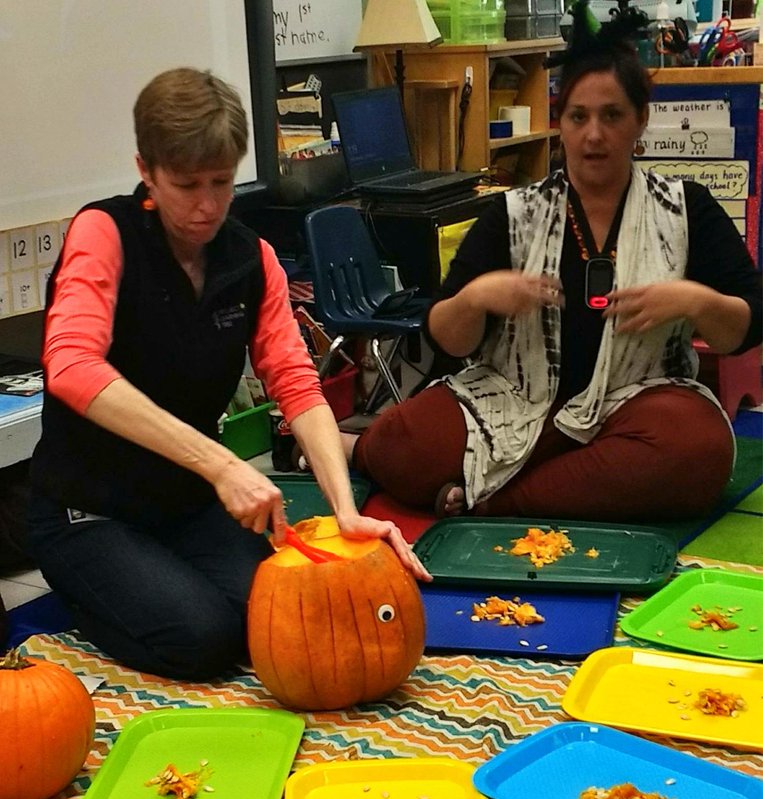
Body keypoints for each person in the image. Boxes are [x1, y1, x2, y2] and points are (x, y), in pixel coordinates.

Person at [27, 67, 427, 681]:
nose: (208, 205)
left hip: (184, 506)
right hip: (89, 510)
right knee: (205, 641)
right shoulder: (102, 232)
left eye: (221, 182)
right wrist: (220, 465)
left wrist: (344, 508)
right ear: (146, 171)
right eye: (186, 185)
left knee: (283, 617)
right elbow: (72, 368)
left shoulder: (251, 257)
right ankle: (92, 592)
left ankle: (148, 577)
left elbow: (296, 383)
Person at [342, 3, 762, 523]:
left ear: (641, 121)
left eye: (612, 116)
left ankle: (495, 500)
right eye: (578, 117)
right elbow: (446, 338)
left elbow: (745, 328)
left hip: (638, 404)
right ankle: (350, 450)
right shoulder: (513, 214)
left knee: (697, 447)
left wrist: (696, 301)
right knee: (407, 441)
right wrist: (476, 298)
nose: (594, 135)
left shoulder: (687, 208)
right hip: (517, 402)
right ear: (559, 123)